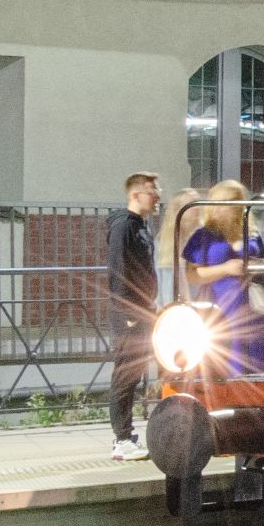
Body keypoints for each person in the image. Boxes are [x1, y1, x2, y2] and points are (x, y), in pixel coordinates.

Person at [183, 180, 264, 377]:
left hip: (250, 307)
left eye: (237, 202)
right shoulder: (203, 236)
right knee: (221, 363)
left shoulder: (252, 234)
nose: (234, 207)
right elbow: (191, 274)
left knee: (252, 365)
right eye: (227, 202)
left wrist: (255, 268)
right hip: (218, 308)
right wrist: (226, 269)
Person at [103, 172, 161, 460]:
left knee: (134, 373)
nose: (158, 196)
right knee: (126, 374)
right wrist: (128, 311)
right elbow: (118, 269)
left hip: (142, 310)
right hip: (130, 313)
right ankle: (122, 440)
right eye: (152, 191)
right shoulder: (124, 226)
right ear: (135, 194)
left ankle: (126, 437)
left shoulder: (140, 226)